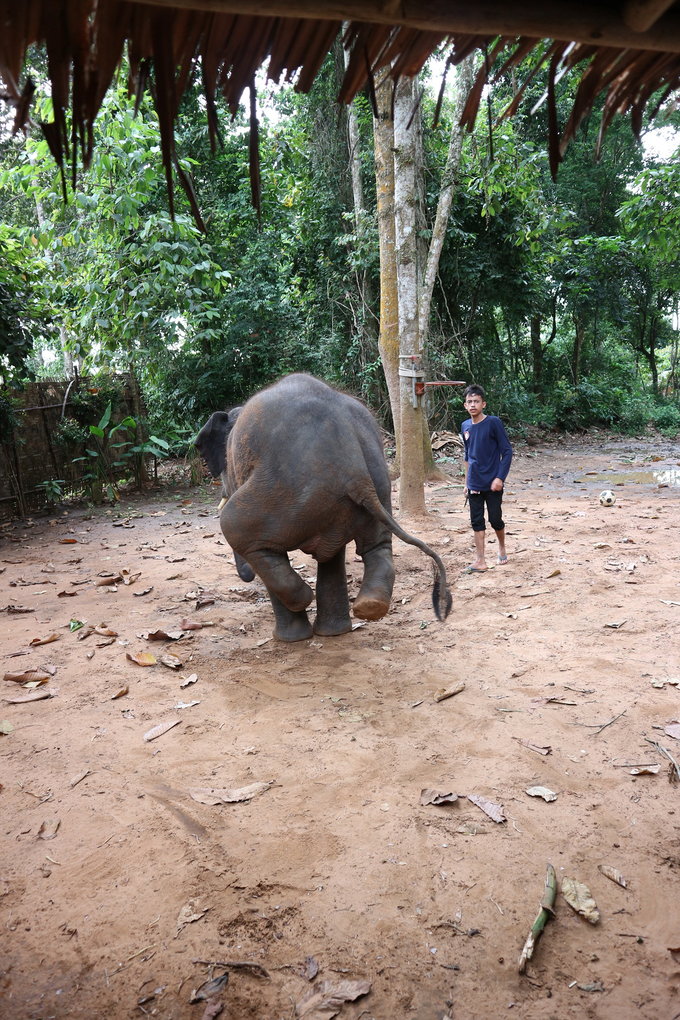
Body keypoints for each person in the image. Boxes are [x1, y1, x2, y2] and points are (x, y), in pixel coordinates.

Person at [460, 384, 513, 573]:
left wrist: (500, 478)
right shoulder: (465, 426)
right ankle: (480, 560)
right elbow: (467, 456)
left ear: (484, 404)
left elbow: (506, 452)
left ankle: (502, 546)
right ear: (465, 405)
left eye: (476, 401)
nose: (473, 404)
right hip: (474, 482)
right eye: (469, 402)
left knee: (495, 519)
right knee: (476, 521)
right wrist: (466, 483)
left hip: (492, 482)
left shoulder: (493, 423)